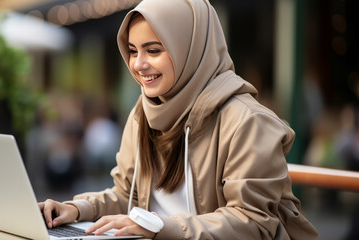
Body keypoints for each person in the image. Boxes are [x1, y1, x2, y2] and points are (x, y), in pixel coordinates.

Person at [39, 0, 320, 239]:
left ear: (190, 49)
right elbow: (128, 195)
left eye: (153, 50)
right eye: (133, 50)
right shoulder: (144, 112)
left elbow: (254, 223)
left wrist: (159, 227)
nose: (138, 64)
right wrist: (76, 210)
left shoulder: (248, 121)